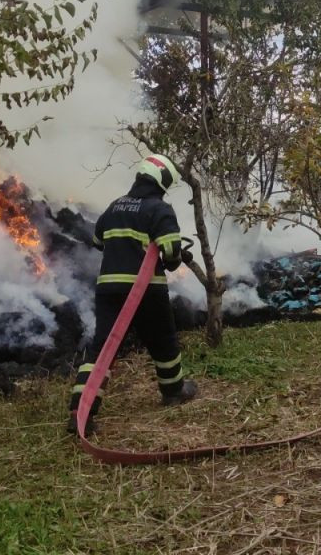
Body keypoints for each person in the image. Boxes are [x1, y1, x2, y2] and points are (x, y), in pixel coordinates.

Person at [68, 154, 196, 435]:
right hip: (145, 289)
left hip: (108, 289)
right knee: (163, 341)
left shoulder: (114, 207)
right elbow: (172, 252)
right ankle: (174, 391)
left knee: (103, 348)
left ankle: (82, 410)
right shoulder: (158, 209)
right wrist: (173, 260)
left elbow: (97, 240)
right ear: (161, 181)